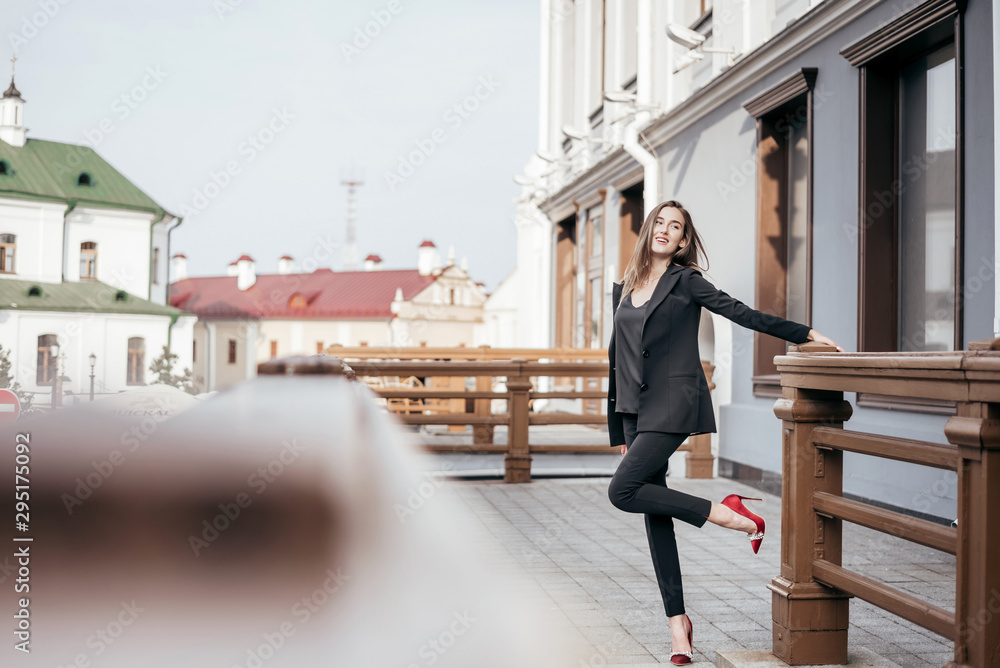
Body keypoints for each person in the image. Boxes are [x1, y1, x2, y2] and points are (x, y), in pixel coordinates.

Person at [605, 200, 842, 665]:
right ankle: (679, 627)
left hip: (672, 406)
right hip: (633, 410)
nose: (665, 230)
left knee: (622, 491)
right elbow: (616, 358)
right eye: (660, 222)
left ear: (683, 241)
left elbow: (741, 313)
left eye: (676, 227)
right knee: (655, 513)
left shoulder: (685, 281)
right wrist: (617, 424)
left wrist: (805, 332)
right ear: (648, 230)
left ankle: (727, 513)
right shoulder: (624, 287)